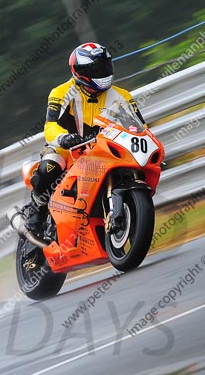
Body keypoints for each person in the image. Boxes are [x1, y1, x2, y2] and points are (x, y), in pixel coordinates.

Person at [25, 42, 148, 235]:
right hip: (67, 149)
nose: (102, 72)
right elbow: (50, 126)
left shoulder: (122, 96)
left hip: (103, 148)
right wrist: (64, 138)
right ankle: (37, 211)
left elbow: (140, 126)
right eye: (96, 69)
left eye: (105, 66)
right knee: (49, 167)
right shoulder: (60, 93)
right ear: (80, 72)